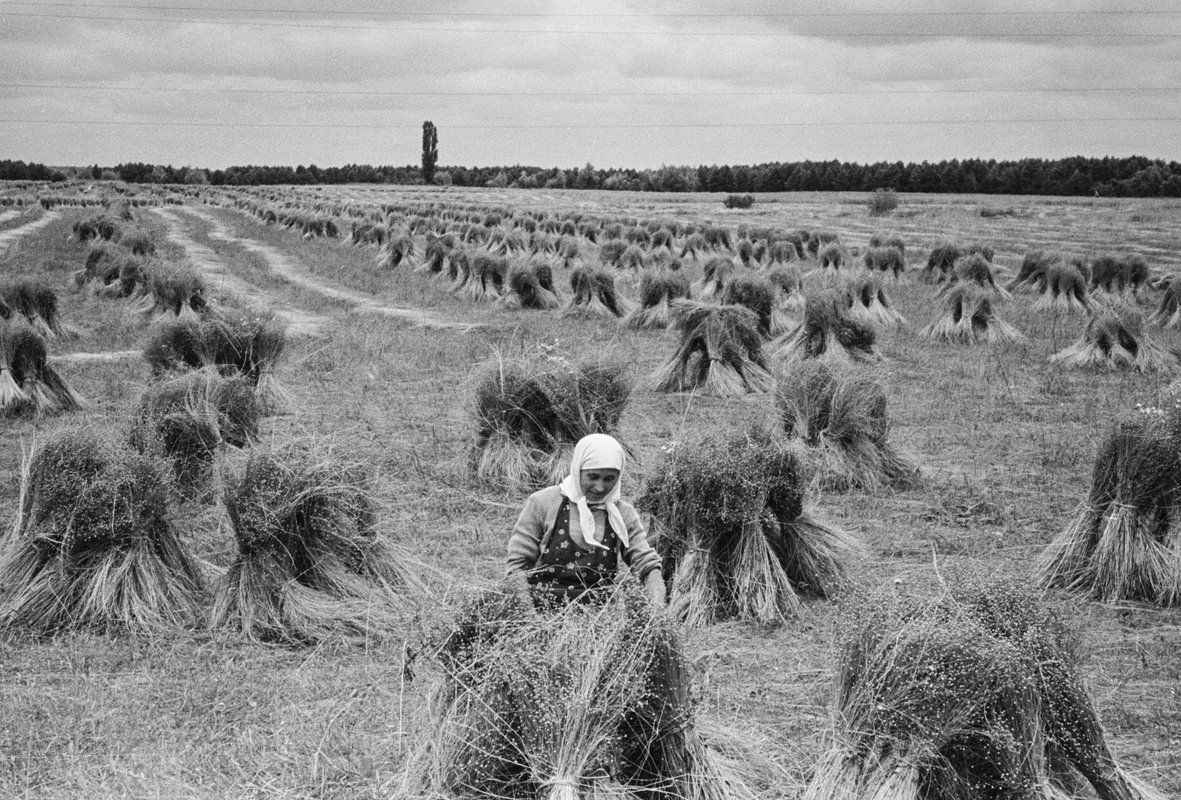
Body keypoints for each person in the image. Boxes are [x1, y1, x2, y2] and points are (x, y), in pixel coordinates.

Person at [506, 433, 665, 608]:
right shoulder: (543, 503)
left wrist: (657, 608)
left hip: (599, 617)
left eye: (609, 479)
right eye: (593, 477)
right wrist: (529, 619)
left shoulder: (622, 513)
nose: (600, 487)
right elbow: (517, 568)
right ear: (577, 469)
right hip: (539, 608)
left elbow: (646, 563)